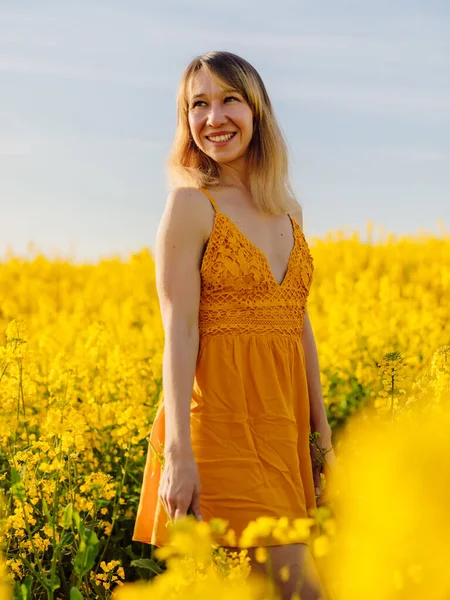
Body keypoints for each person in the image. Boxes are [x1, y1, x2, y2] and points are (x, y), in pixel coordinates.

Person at [133, 50, 336, 600]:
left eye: (229, 100)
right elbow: (179, 331)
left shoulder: (289, 210)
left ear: (258, 111)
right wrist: (178, 455)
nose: (213, 118)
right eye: (198, 104)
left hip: (282, 427)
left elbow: (297, 324)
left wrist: (322, 437)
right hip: (219, 427)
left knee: (263, 591)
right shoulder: (190, 207)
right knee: (305, 591)